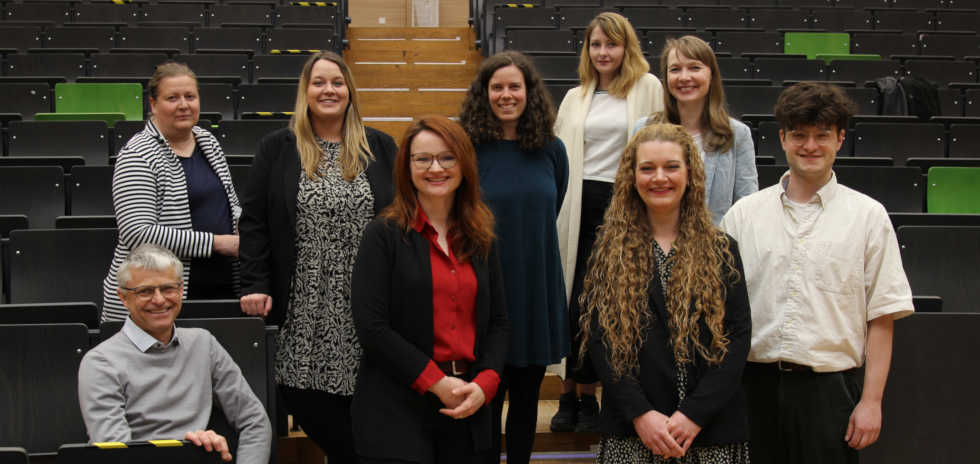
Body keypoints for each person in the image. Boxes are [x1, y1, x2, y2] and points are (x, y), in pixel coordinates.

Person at [719, 82, 915, 464]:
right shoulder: (743, 215)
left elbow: (883, 316)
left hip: (829, 390)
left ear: (840, 139)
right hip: (751, 385)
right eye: (799, 135)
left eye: (822, 135)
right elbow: (718, 308)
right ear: (782, 138)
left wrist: (871, 401)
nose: (810, 145)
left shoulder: (869, 216)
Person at [238, 51, 397, 464]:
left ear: (350, 91)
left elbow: (402, 218)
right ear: (305, 92)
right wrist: (254, 283)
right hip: (303, 295)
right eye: (319, 82)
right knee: (302, 393)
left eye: (337, 82)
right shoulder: (278, 146)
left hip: (368, 295)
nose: (329, 90)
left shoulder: (379, 145)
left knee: (366, 393)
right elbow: (253, 222)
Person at [580, 124, 751, 463]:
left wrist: (695, 414)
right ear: (632, 176)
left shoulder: (722, 249)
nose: (660, 178)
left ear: (690, 173)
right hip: (635, 431)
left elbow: (737, 337)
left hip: (709, 430)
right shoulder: (608, 251)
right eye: (647, 168)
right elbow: (601, 341)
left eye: (671, 166)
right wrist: (641, 413)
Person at [349, 115, 509, 464]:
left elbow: (498, 322)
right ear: (406, 169)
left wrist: (486, 384)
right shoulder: (382, 235)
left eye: (447, 157)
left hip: (469, 405)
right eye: (422, 159)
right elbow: (372, 328)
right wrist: (436, 382)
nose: (436, 167)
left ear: (464, 164)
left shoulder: (482, 237)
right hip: (397, 408)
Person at [553, 11, 664, 433]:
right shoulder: (575, 95)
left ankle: (594, 396)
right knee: (572, 299)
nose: (603, 52)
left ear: (626, 47)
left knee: (605, 301)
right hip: (578, 205)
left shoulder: (647, 87)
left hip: (621, 206)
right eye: (596, 44)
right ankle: (568, 394)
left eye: (611, 44)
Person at [458, 50, 570, 464]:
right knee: (486, 399)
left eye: (515, 87)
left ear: (529, 93)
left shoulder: (552, 150)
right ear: (484, 94)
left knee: (525, 402)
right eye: (497, 87)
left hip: (535, 288)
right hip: (485, 291)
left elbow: (549, 206)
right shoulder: (468, 148)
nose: (506, 95)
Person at [79, 244, 272, 464]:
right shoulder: (100, 362)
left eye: (168, 288)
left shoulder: (203, 343)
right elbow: (116, 456)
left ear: (181, 289)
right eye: (144, 291)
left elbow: (254, 421)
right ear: (123, 298)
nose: (159, 300)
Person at [102, 62, 241, 322]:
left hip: (218, 288)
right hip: (159, 297)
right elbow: (137, 234)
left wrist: (244, 226)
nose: (183, 105)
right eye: (172, 98)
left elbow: (230, 204)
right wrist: (218, 244)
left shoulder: (207, 141)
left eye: (190, 96)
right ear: (153, 105)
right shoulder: (138, 154)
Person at [633, 36, 758, 225]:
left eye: (695, 68)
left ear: (712, 76)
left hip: (713, 246)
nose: (684, 77)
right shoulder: (644, 129)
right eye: (675, 69)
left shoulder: (737, 134)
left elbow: (747, 205)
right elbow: (629, 194)